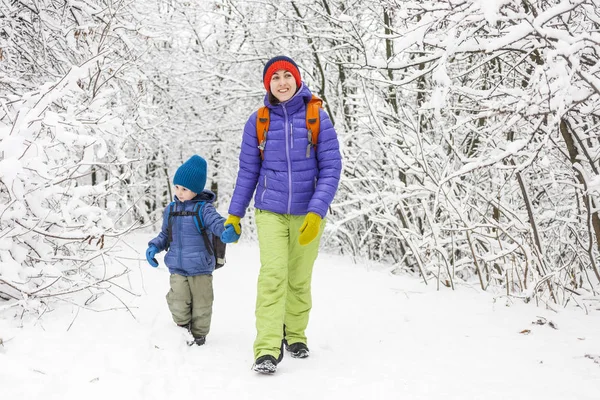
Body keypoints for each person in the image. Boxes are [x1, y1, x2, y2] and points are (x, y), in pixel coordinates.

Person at [225, 56, 342, 374]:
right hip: (270, 212)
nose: (281, 81)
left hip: (308, 214)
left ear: (297, 79)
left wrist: (317, 211)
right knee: (273, 276)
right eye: (274, 77)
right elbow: (248, 170)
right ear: (268, 85)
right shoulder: (259, 121)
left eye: (286, 75)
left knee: (299, 279)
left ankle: (296, 334)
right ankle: (266, 347)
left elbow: (332, 168)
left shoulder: (317, 116)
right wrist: (234, 215)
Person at [145, 155, 240, 346]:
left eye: (185, 189)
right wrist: (154, 246)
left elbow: (217, 223)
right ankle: (182, 329)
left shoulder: (204, 209)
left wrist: (228, 230)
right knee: (178, 300)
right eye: (177, 187)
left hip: (200, 267)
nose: (179, 192)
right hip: (177, 266)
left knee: (202, 304)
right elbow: (165, 234)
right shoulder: (171, 209)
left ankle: (199, 336)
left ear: (195, 190)